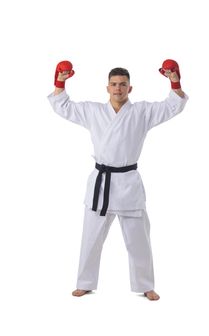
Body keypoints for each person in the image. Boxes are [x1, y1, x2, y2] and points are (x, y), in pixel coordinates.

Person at [48, 60, 188, 301]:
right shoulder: (93, 111)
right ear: (107, 87)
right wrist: (60, 80)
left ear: (130, 88)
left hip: (128, 183)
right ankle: (84, 283)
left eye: (123, 84)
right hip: (101, 185)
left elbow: (172, 106)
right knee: (90, 239)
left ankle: (145, 285)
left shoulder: (142, 112)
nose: (118, 88)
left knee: (138, 240)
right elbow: (63, 106)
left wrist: (174, 80)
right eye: (114, 84)